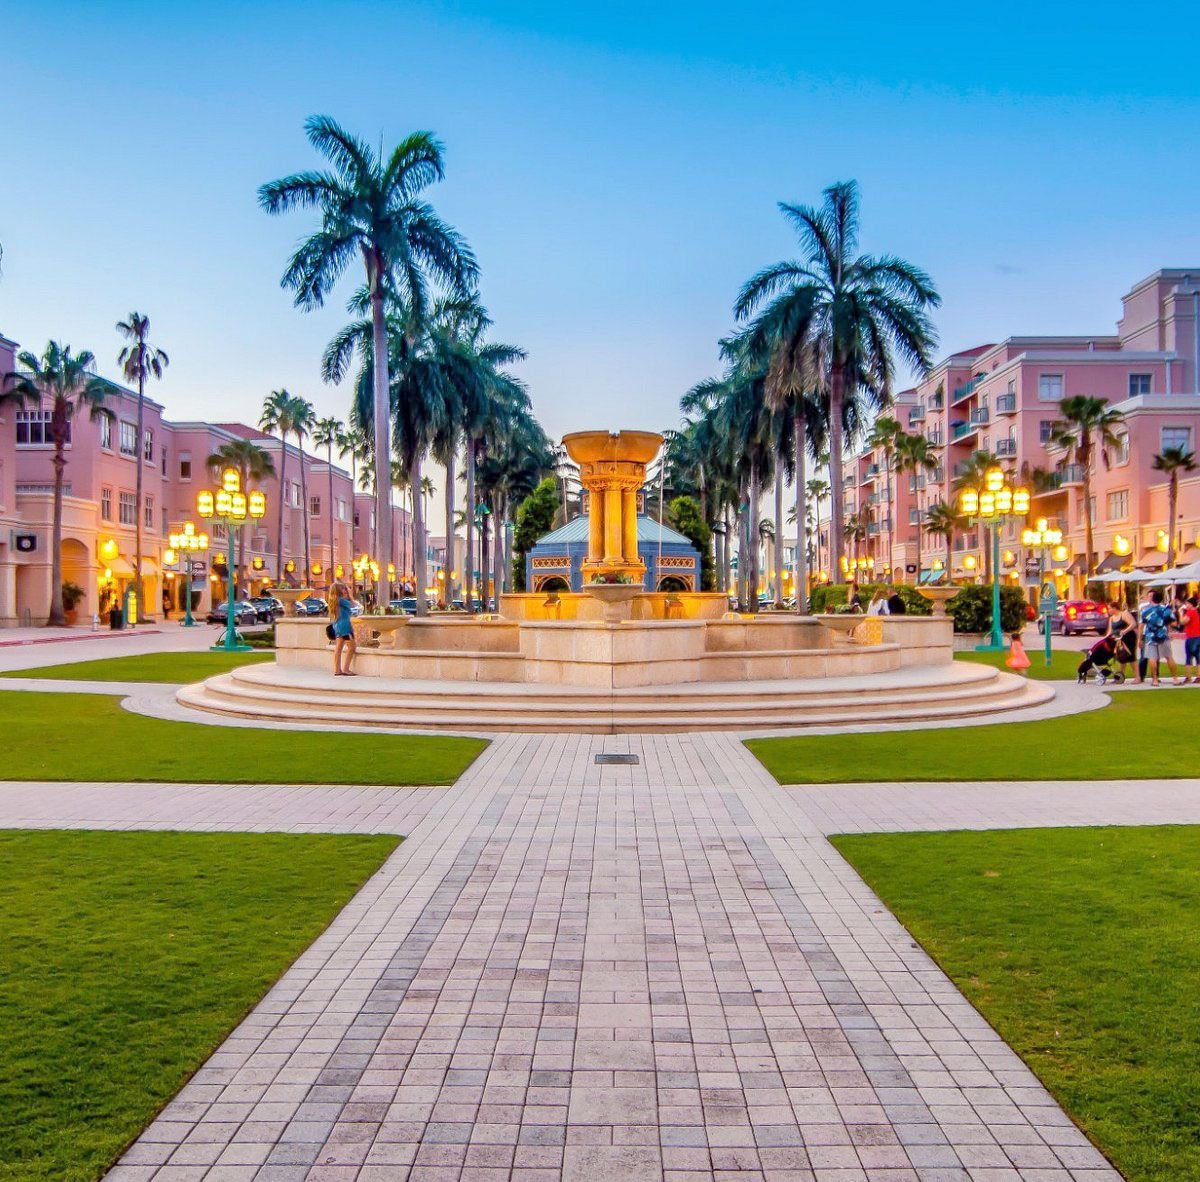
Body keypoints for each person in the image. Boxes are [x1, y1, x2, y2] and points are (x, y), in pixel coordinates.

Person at [1139, 588, 1180, 686]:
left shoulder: (1146, 611)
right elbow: (1174, 623)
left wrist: (1139, 638)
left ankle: (1155, 680)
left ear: (1152, 599)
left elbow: (1141, 625)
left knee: (1152, 658)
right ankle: (1175, 678)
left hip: (1150, 637)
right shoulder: (1166, 610)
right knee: (1169, 657)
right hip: (1163, 635)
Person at [329, 580, 357, 676]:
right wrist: (350, 595)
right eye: (343, 588)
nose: (345, 590)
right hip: (345, 626)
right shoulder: (341, 600)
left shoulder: (334, 600)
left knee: (338, 648)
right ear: (339, 590)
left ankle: (337, 670)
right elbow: (355, 606)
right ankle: (346, 669)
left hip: (337, 625)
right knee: (352, 647)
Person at [1106, 599, 1138, 680]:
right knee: (1122, 657)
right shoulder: (1112, 618)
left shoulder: (1124, 614)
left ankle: (1137, 677)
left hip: (1129, 638)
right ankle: (1120, 676)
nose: (1108, 610)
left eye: (1109, 608)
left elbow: (1133, 624)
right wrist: (1106, 638)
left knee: (1131, 657)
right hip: (1119, 639)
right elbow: (1110, 631)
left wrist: (1124, 631)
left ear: (1114, 608)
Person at [1179, 594, 1200, 684]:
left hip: (1192, 637)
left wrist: (1180, 613)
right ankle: (1198, 676)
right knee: (1198, 657)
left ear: (1191, 604)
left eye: (1187, 603)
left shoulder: (1190, 612)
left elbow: (1183, 621)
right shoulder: (1196, 612)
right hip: (1198, 636)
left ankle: (1188, 676)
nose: (1186, 605)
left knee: (1189, 657)